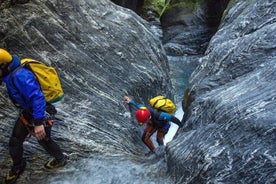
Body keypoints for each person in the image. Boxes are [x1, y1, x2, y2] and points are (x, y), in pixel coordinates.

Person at [0, 48, 67, 184]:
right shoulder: (9, 73)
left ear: (3, 65)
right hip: (28, 112)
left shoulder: (21, 76)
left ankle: (60, 159)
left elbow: (37, 98)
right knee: (15, 141)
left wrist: (38, 123)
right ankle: (18, 166)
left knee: (44, 139)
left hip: (40, 112)